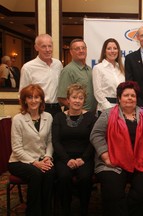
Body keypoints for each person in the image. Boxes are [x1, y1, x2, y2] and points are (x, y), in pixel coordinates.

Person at [90, 81, 143, 216]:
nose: (130, 98)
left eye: (133, 95)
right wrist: (105, 156)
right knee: (113, 193)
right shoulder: (108, 114)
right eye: (126, 95)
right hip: (113, 162)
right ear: (119, 98)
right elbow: (96, 134)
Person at [8, 84, 54, 216]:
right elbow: (16, 148)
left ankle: (47, 211)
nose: (33, 100)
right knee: (36, 174)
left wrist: (48, 156)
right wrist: (35, 163)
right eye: (29, 97)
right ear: (24, 100)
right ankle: (33, 211)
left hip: (42, 159)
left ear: (41, 99)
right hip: (19, 161)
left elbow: (50, 141)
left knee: (51, 173)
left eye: (36, 97)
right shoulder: (18, 119)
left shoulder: (48, 117)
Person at [52, 83, 97, 216]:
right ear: (68, 99)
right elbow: (55, 141)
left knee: (85, 178)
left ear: (84, 100)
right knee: (64, 176)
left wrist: (83, 159)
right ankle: (65, 209)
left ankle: (84, 209)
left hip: (85, 157)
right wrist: (67, 160)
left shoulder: (91, 117)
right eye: (74, 97)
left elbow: (93, 141)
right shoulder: (59, 117)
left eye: (81, 98)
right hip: (63, 157)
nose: (77, 101)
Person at [19, 34, 63, 117]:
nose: (47, 50)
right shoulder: (28, 67)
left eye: (50, 46)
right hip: (38, 109)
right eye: (43, 46)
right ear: (36, 48)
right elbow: (22, 94)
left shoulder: (58, 64)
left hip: (57, 109)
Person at [57, 38, 97, 113]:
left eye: (83, 48)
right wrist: (78, 110)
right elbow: (61, 98)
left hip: (91, 115)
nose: (81, 51)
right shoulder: (68, 70)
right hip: (77, 116)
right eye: (77, 49)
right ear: (71, 52)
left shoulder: (90, 69)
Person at [92, 38, 125, 115]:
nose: (112, 51)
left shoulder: (121, 68)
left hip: (121, 110)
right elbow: (98, 92)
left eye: (115, 48)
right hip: (105, 110)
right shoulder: (98, 68)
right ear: (104, 52)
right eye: (109, 48)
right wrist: (110, 109)